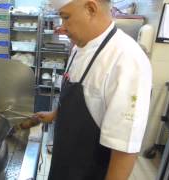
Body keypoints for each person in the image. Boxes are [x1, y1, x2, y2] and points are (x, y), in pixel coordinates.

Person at [34, 0, 152, 180]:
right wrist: (54, 114)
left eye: (66, 18)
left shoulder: (127, 60)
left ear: (90, 9)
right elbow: (81, 95)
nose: (63, 27)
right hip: (63, 163)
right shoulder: (80, 47)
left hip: (89, 171)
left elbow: (124, 149)